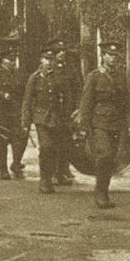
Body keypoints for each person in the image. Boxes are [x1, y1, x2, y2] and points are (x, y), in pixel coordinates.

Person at [78, 42, 129, 209]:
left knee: (112, 159)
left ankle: (104, 191)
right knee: (104, 156)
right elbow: (86, 102)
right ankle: (100, 193)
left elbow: (126, 102)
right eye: (109, 55)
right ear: (103, 56)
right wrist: (84, 127)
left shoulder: (121, 77)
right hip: (99, 123)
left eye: (115, 56)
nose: (113, 58)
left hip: (117, 123)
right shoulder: (94, 76)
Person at [22, 46, 71, 194]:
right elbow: (27, 100)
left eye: (52, 59)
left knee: (55, 148)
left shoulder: (60, 77)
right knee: (46, 147)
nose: (49, 62)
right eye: (46, 59)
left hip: (57, 117)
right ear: (41, 60)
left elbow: (67, 98)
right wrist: (25, 121)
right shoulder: (35, 78)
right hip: (41, 118)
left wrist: (68, 117)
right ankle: (44, 179)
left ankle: (52, 175)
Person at [0, 47, 25, 180]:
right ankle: (3, 168)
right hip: (1, 112)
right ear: (3, 61)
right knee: (2, 141)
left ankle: (16, 164)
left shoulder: (18, 74)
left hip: (15, 111)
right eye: (9, 59)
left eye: (13, 59)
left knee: (19, 140)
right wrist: (2, 95)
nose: (11, 61)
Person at [50, 39, 79, 185]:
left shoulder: (70, 68)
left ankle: (63, 171)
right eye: (58, 52)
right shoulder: (50, 68)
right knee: (54, 142)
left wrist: (78, 107)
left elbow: (77, 87)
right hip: (54, 111)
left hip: (68, 111)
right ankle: (54, 173)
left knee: (66, 141)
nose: (61, 54)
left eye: (63, 51)